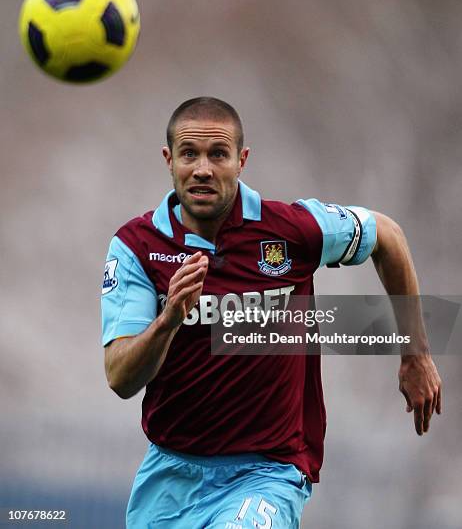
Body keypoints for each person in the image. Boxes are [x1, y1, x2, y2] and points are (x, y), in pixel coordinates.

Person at [101, 97, 442, 529]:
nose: (202, 168)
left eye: (217, 154)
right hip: (170, 477)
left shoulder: (292, 230)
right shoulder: (136, 247)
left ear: (241, 161)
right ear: (169, 160)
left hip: (268, 472)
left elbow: (387, 235)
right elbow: (120, 377)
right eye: (189, 154)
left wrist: (416, 353)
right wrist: (168, 320)